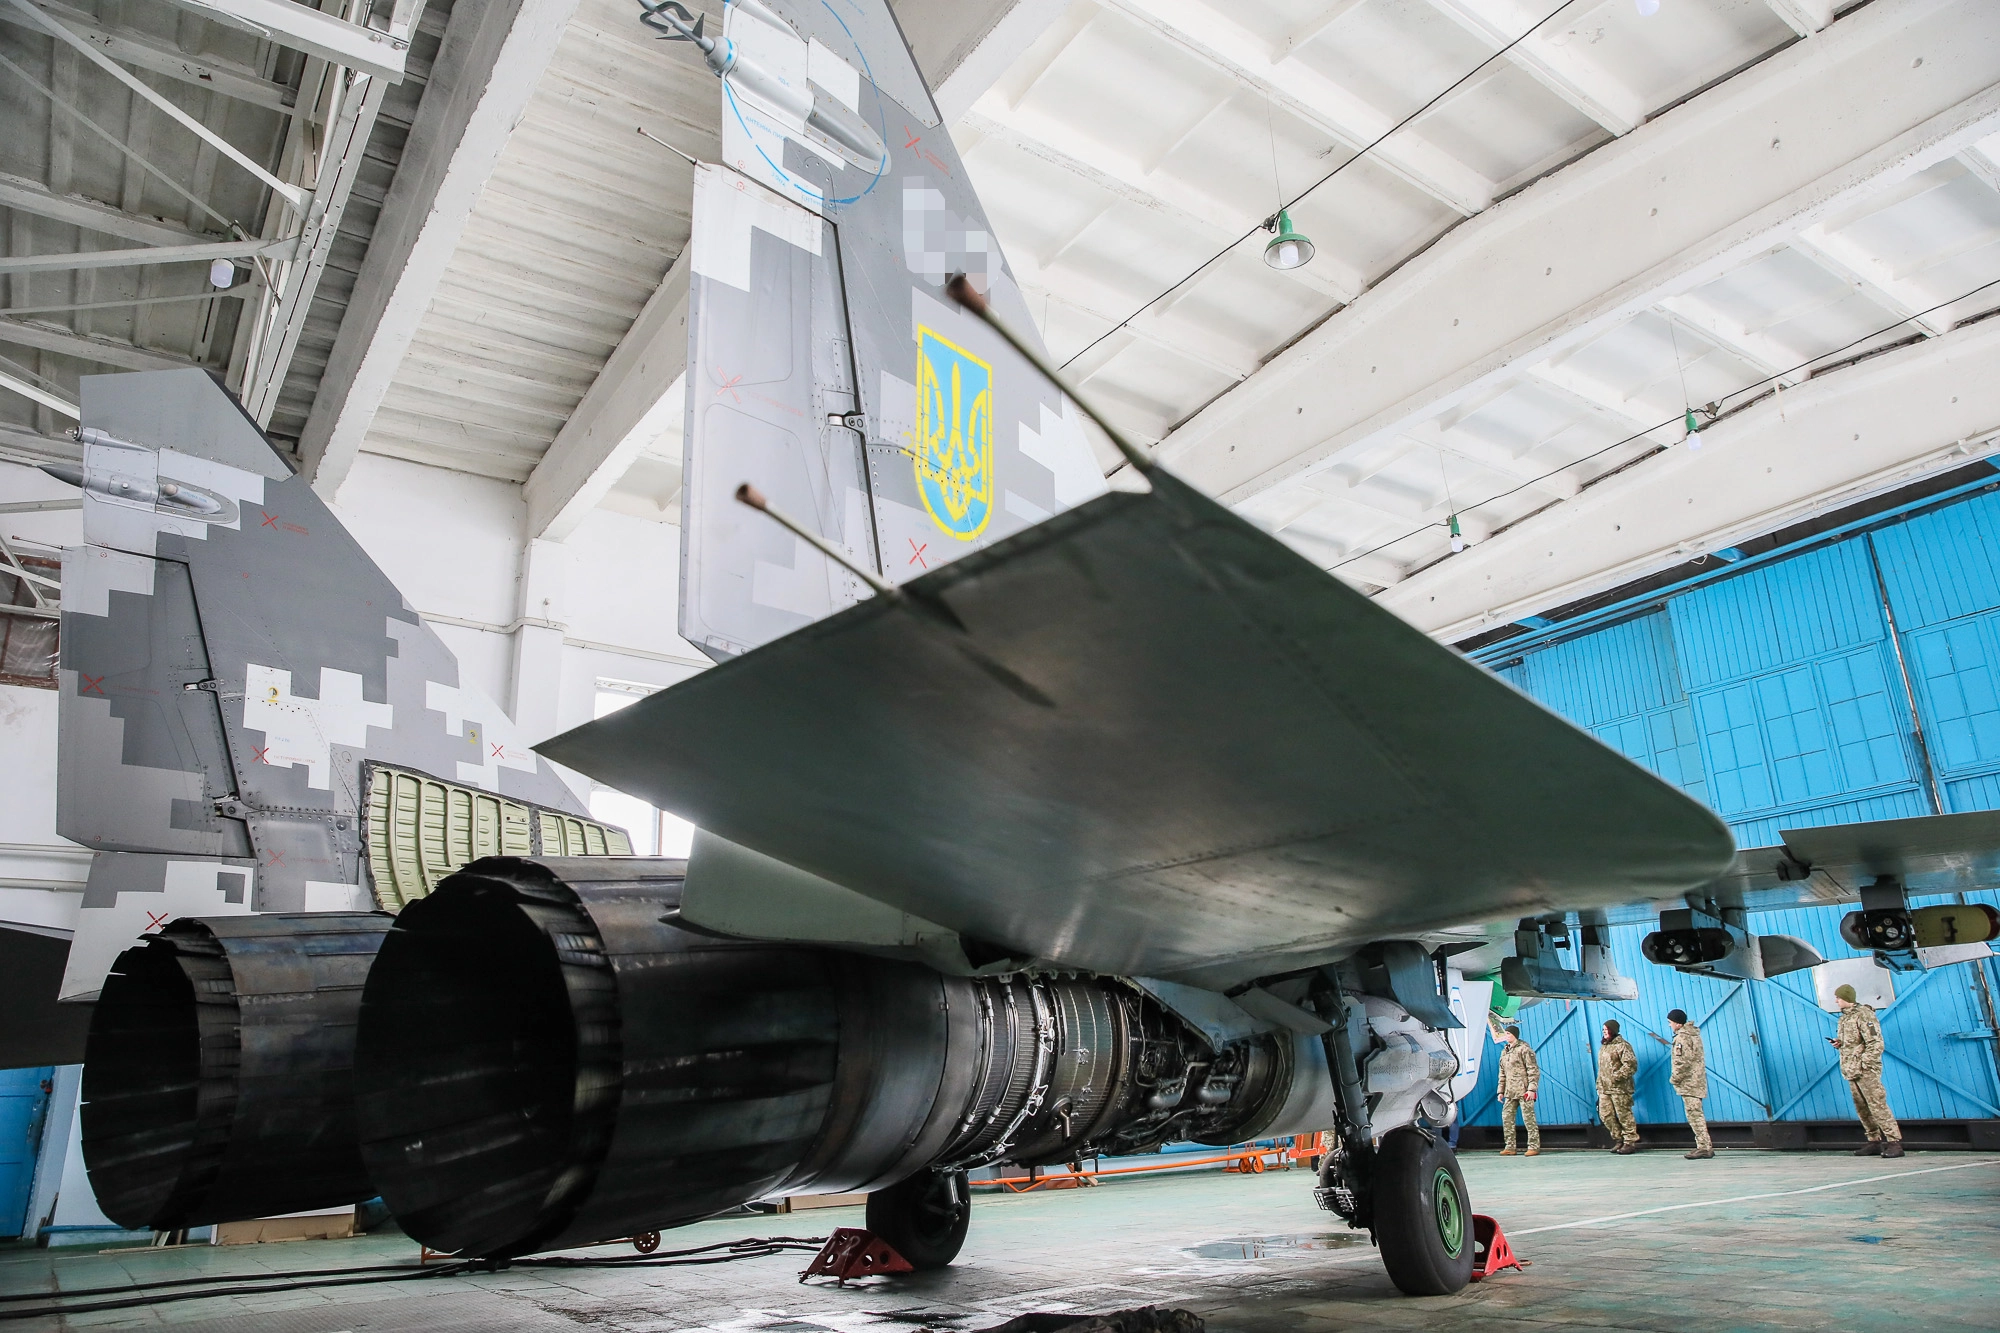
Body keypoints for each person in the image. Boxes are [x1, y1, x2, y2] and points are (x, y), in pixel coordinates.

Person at [1831, 983, 1902, 1158]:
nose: (1836, 1001)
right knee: (1862, 1107)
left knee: (1877, 1104)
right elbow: (1853, 1042)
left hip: (1865, 1070)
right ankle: (1874, 1141)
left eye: (1838, 997)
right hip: (1850, 1069)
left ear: (1847, 998)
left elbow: (1876, 1043)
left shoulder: (1864, 1015)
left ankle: (1894, 1143)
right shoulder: (1844, 1018)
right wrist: (1839, 1043)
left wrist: (1865, 1063)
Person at [1667, 1009, 1713, 1159]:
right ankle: (1703, 1145)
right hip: (1696, 1080)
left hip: (1689, 1083)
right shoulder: (1694, 1035)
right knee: (1696, 1114)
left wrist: (1674, 1078)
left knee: (1694, 1115)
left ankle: (1704, 1147)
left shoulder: (1682, 1038)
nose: (1670, 1025)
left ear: (1678, 1024)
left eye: (1670, 1022)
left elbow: (1682, 1062)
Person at [1495, 1024, 1540, 1157]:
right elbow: (1502, 1073)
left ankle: (1533, 1146)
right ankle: (1510, 1146)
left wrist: (1532, 1089)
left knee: (1529, 1119)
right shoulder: (1504, 1052)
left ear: (1514, 1035)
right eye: (1506, 1034)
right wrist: (1500, 1091)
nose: (1506, 1036)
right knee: (1507, 1118)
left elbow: (1533, 1070)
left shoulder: (1524, 1050)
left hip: (1524, 1090)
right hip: (1510, 1092)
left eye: (1508, 1034)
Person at [1596, 1018, 1640, 1153]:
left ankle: (1629, 1141)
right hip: (1604, 1088)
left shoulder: (1623, 1046)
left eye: (1606, 1030)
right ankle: (1618, 1139)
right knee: (1605, 1115)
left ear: (1613, 1031)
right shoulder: (1604, 1046)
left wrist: (1616, 1077)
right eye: (1603, 1030)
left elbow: (1631, 1065)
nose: (1604, 1032)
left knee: (1624, 1114)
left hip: (1620, 1088)